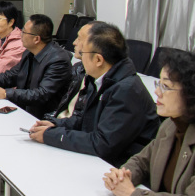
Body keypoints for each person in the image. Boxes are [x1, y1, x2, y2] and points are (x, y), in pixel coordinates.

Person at [29, 22, 160, 167]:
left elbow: (102, 144)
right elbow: (85, 120)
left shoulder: (126, 90)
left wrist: (50, 136)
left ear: (98, 60)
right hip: (103, 159)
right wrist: (55, 124)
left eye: (83, 53)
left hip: (121, 166)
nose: (79, 55)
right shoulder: (101, 79)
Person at [103, 49, 195, 196]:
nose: (157, 92)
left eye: (166, 86)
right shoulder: (170, 125)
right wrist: (122, 176)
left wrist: (132, 195)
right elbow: (142, 161)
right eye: (158, 84)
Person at [0, 14, 71, 119]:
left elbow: (42, 94)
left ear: (36, 39)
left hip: (43, 118)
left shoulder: (58, 60)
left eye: (24, 32)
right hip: (24, 111)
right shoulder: (29, 52)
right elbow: (11, 75)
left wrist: (6, 93)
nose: (20, 35)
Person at [43, 21, 93, 121]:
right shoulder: (78, 68)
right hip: (62, 122)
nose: (74, 42)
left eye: (79, 39)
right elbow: (65, 104)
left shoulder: (100, 81)